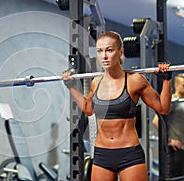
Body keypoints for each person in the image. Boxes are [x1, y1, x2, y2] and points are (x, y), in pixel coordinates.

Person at [62, 31, 172, 181]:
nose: (104, 56)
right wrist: (71, 87)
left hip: (129, 154)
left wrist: (166, 80)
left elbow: (163, 108)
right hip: (102, 155)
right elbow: (88, 109)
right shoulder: (96, 81)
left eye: (109, 50)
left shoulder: (135, 80)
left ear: (121, 51)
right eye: (100, 51)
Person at [152, 73, 184, 151]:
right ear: (176, 85)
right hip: (177, 147)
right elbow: (156, 121)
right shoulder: (172, 101)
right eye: (183, 85)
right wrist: (169, 140)